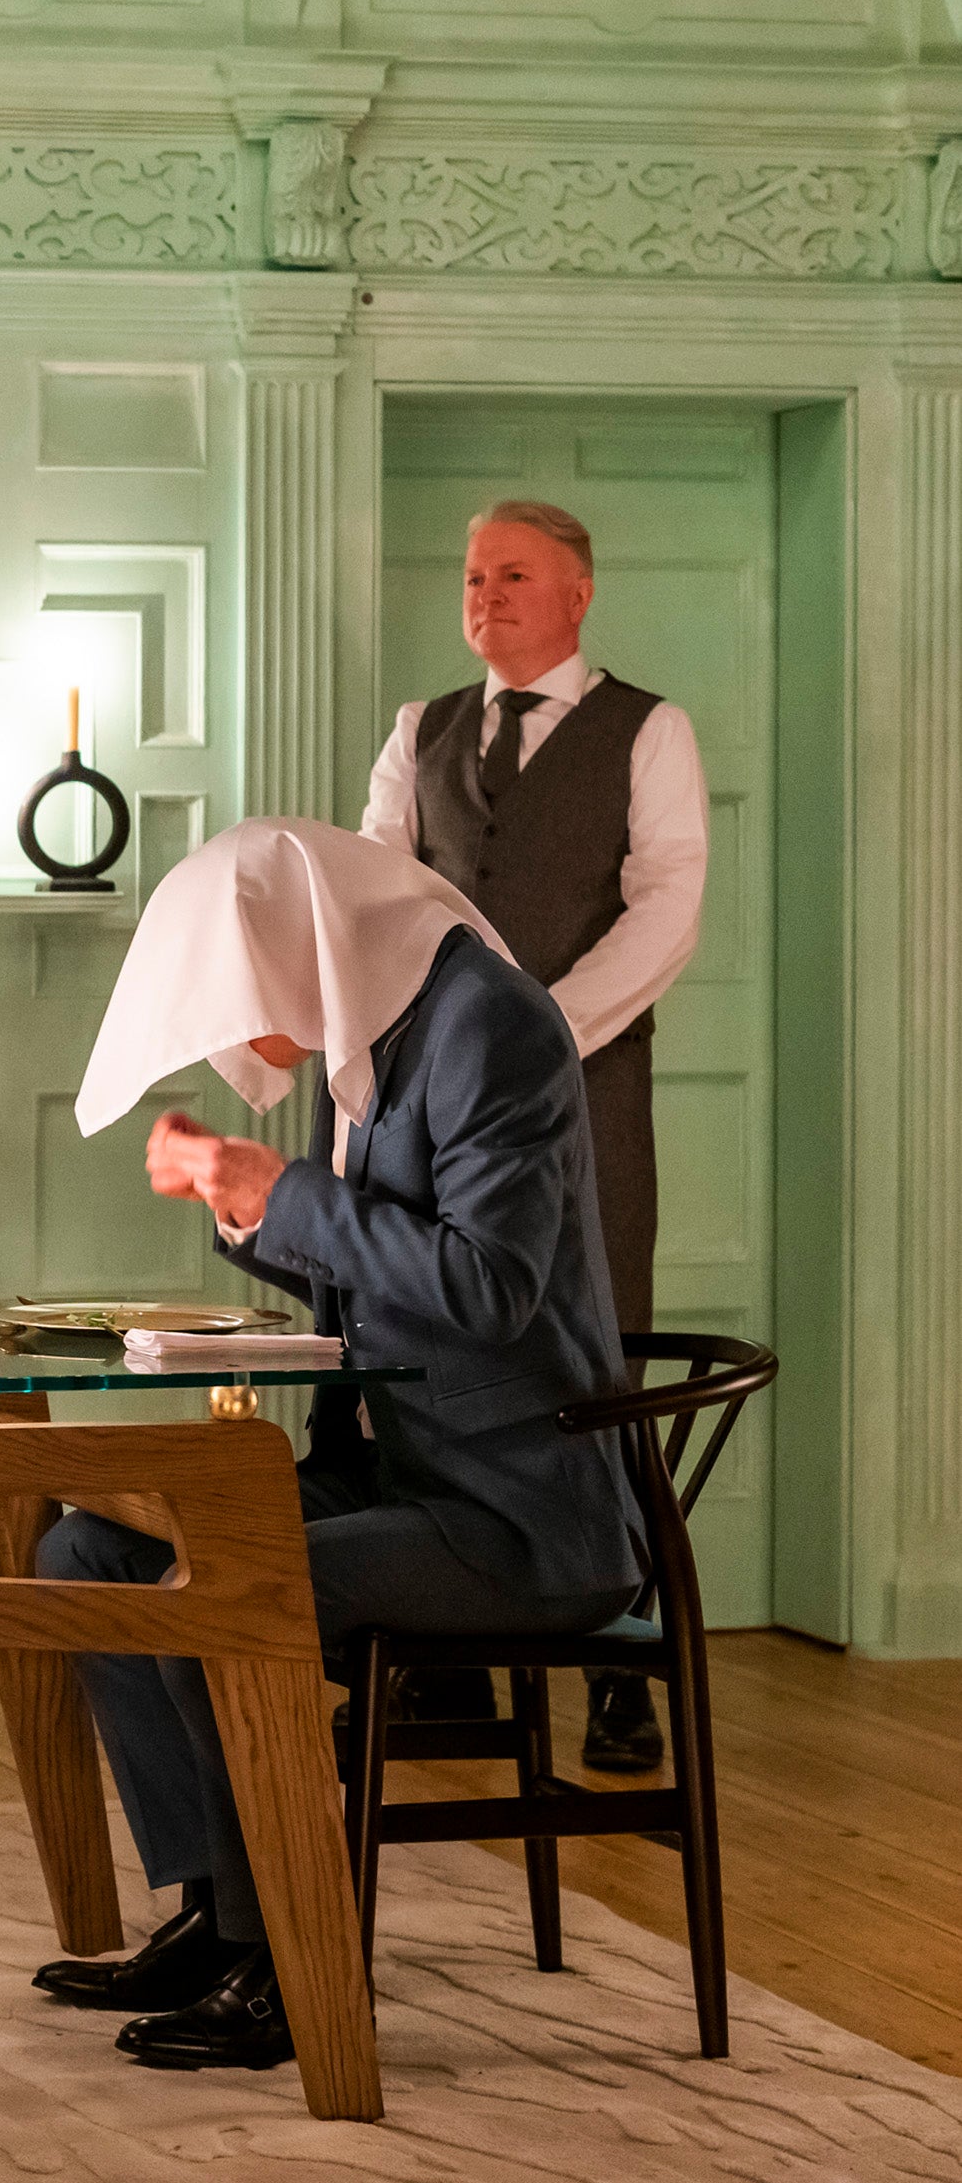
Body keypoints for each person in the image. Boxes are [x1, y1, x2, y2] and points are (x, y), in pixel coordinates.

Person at [34, 819, 636, 2072]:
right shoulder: (374, 1027)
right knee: (81, 1552)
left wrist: (286, 1194)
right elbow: (373, 1258)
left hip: (517, 1510)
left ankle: (280, 1964)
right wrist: (242, 1205)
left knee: (219, 1597)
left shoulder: (491, 1028)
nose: (239, 1038)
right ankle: (212, 1914)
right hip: (401, 1471)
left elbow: (485, 1290)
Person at [360, 499, 704, 1773]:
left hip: (585, 1101)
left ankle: (622, 1662)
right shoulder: (420, 731)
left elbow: (667, 909)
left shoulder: (645, 728)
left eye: (511, 575)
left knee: (589, 1361)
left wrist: (529, 1039)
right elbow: (368, 897)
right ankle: (440, 1660)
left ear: (576, 593)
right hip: (422, 1114)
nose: (484, 595)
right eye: (469, 576)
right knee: (420, 1343)